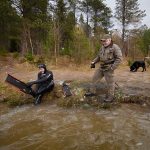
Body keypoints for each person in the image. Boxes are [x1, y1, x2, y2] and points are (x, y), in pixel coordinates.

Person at [91, 34, 123, 102]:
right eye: (102, 41)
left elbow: (119, 58)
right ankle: (92, 92)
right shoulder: (102, 47)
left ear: (109, 40)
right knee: (94, 79)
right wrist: (93, 62)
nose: (103, 42)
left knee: (110, 83)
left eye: (105, 41)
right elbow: (98, 57)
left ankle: (110, 97)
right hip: (101, 67)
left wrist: (112, 67)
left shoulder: (115, 47)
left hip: (109, 68)